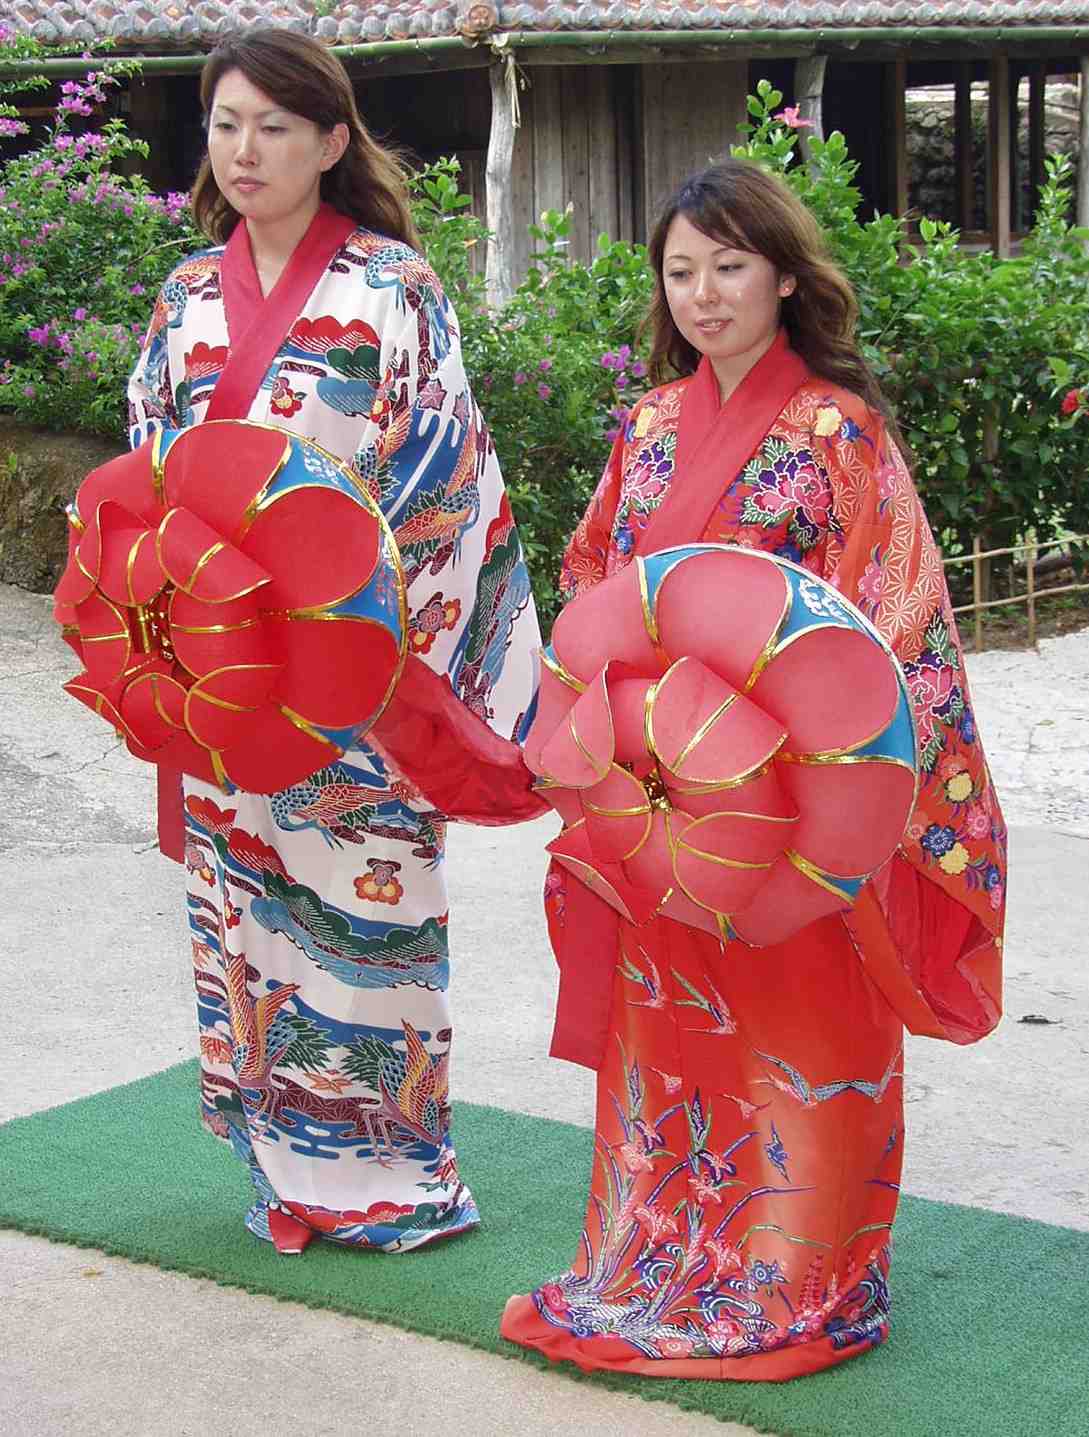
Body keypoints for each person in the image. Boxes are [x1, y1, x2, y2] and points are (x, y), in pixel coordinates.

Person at [500, 160, 1005, 1378]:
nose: (705, 294)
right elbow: (595, 582)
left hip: (797, 801)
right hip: (664, 798)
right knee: (670, 1018)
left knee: (803, 1018)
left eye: (730, 266)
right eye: (682, 271)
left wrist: (843, 776)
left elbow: (895, 611)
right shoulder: (648, 427)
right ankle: (658, 1249)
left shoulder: (838, 432)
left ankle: (804, 1272)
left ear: (784, 276)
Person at [127, 27, 541, 1255]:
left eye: (273, 126)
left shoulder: (392, 290)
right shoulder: (186, 301)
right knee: (247, 905)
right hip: (229, 666)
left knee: (370, 913)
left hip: (360, 665)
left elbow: (443, 471)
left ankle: (392, 1171)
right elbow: (150, 473)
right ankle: (282, 1167)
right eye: (225, 125)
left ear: (330, 142)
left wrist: (367, 629)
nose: (244, 150)